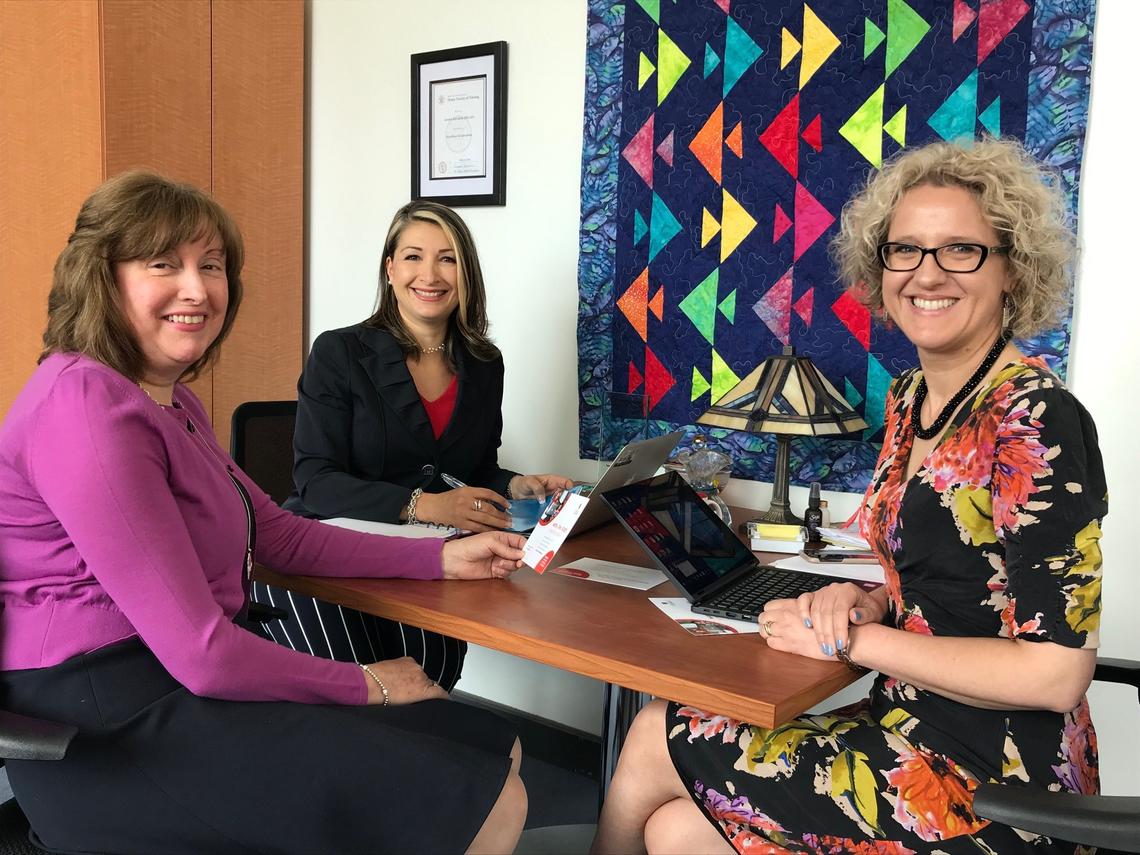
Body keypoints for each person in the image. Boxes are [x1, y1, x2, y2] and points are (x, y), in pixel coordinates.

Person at [592, 138, 1107, 854]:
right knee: (676, 831)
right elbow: (945, 583)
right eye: (905, 250)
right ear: (880, 266)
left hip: (998, 781)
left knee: (654, 731)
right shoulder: (911, 399)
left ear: (1012, 269)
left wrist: (858, 639)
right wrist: (860, 600)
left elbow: (1056, 672)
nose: (927, 273)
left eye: (960, 249)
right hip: (905, 728)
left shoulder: (1033, 420)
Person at [0, 172, 529, 854]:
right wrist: (367, 681)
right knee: (482, 794)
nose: (197, 288)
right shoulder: (86, 408)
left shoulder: (168, 401)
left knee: (499, 747)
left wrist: (442, 556)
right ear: (100, 277)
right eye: (163, 263)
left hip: (177, 683)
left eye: (212, 265)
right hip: (108, 722)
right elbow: (201, 654)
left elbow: (277, 533)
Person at [253, 200, 573, 690]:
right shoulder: (340, 353)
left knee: (428, 688)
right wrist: (426, 505)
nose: (430, 274)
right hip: (327, 554)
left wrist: (518, 484)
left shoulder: (484, 363)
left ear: (466, 272)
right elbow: (314, 482)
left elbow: (472, 468)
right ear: (389, 268)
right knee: (361, 699)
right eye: (413, 256)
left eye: (447, 258)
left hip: (427, 558)